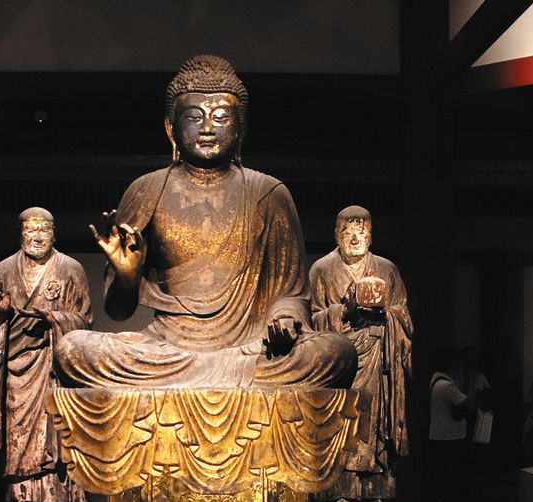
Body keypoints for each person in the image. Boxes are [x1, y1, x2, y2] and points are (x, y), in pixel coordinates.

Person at [54, 55, 355, 390]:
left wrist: (285, 318)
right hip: (167, 348)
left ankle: (196, 382)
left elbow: (292, 294)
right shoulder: (146, 189)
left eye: (221, 117)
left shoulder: (268, 193)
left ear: (242, 129)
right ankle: (215, 382)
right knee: (72, 349)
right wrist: (127, 276)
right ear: (170, 127)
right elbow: (118, 311)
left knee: (337, 353)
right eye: (194, 117)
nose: (208, 128)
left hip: (248, 348)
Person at [0, 207, 92, 502]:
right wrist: (0, 314)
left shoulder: (71, 269)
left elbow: (84, 319)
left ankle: (58, 494)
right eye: (31, 231)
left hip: (55, 361)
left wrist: (55, 318)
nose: (37, 237)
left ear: (54, 233)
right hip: (18, 363)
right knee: (19, 427)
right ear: (20, 234)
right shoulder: (3, 271)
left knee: (55, 425)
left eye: (44, 230)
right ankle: (22, 494)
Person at [309, 206, 413, 502]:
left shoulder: (386, 269)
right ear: (337, 235)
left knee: (375, 421)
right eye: (348, 232)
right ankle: (341, 490)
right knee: (342, 419)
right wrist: (345, 311)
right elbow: (311, 317)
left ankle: (374, 489)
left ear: (370, 235)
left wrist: (384, 314)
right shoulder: (322, 269)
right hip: (339, 358)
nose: (355, 239)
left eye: (361, 232)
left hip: (377, 352)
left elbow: (403, 315)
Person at [427, 347, 475, 502]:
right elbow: (468, 404)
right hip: (450, 437)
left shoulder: (436, 381)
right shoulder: (446, 386)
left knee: (445, 479)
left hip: (440, 435)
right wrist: (471, 383)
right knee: (453, 479)